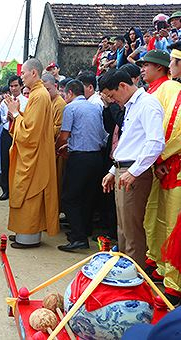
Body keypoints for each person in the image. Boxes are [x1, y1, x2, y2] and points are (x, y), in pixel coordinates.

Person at [100, 69, 165, 268]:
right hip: (124, 169)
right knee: (123, 228)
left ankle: (135, 277)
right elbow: (130, 142)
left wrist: (134, 171)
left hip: (133, 172)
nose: (113, 100)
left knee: (132, 230)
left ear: (123, 86)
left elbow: (155, 142)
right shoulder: (131, 106)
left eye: (112, 95)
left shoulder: (147, 104)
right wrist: (113, 171)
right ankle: (125, 275)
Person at [139, 47, 181, 303]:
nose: (142, 69)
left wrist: (160, 156)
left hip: (172, 166)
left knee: (171, 223)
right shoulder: (152, 92)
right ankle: (159, 266)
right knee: (154, 217)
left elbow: (176, 129)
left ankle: (173, 282)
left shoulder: (173, 90)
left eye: (147, 65)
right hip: (159, 165)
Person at [5, 58, 58, 249]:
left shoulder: (39, 95)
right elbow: (30, 123)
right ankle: (23, 231)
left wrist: (16, 113)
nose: (22, 77)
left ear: (33, 73)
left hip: (34, 156)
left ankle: (28, 235)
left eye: (23, 73)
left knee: (28, 193)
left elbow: (30, 133)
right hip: (34, 153)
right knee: (25, 193)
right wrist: (18, 112)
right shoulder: (38, 94)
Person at [56, 80, 108, 252]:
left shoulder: (70, 108)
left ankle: (79, 238)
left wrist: (57, 147)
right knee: (87, 196)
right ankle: (84, 231)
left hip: (79, 158)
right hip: (96, 157)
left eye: (64, 94)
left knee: (69, 198)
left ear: (70, 93)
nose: (64, 97)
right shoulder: (95, 107)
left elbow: (64, 136)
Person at [0, 75, 28, 201]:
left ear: (21, 86)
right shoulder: (5, 102)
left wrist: (17, 115)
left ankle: (18, 190)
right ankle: (6, 190)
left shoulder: (27, 101)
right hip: (7, 132)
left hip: (20, 133)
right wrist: (8, 117)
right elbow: (1, 118)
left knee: (19, 162)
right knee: (5, 161)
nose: (13, 88)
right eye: (11, 86)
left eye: (16, 85)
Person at [42, 73, 66, 207]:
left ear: (55, 86)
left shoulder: (59, 104)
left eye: (48, 89)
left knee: (55, 184)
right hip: (46, 148)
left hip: (56, 149)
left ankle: (53, 215)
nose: (46, 93)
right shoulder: (47, 102)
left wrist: (41, 132)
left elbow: (59, 128)